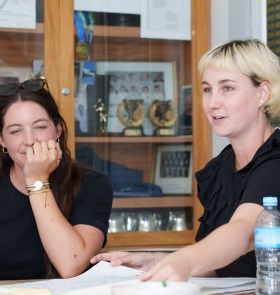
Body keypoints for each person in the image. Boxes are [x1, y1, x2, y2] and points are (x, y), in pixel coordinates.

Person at [91, 39, 280, 281]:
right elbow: (220, 264)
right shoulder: (220, 168)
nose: (212, 103)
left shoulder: (275, 161)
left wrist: (184, 260)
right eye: (207, 89)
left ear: (262, 93)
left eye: (228, 88)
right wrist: (154, 260)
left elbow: (245, 232)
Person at [0, 78, 113, 281]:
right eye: (16, 131)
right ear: (2, 140)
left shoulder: (92, 185)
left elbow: (71, 264)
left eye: (40, 127)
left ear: (58, 130)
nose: (30, 141)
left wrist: (37, 179)